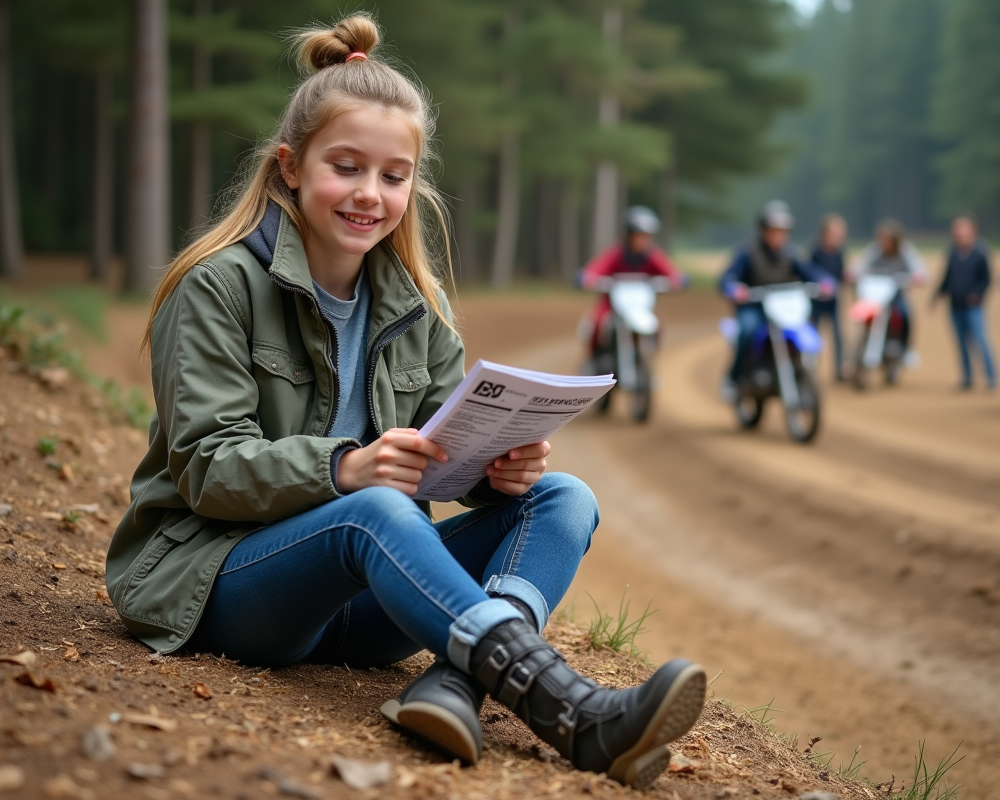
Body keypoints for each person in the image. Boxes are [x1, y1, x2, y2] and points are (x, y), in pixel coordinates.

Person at [105, 15, 705, 789]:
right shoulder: (218, 285)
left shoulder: (416, 302)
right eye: (345, 167)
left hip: (363, 604)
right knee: (377, 510)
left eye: (393, 176)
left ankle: (461, 682)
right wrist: (348, 468)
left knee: (564, 496)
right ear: (290, 167)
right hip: (221, 585)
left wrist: (499, 471)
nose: (369, 194)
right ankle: (573, 714)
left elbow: (441, 449)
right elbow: (207, 469)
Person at [719, 200, 835, 401]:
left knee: (806, 327)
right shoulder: (747, 252)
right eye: (773, 230)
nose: (777, 235)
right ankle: (733, 378)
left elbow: (810, 271)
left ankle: (800, 367)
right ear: (763, 230)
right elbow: (728, 277)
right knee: (747, 330)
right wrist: (734, 288)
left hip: (785, 309)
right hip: (755, 307)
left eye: (782, 231)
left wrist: (824, 281)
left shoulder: (791, 253)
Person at [579, 205, 687, 357]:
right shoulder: (616, 254)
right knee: (597, 322)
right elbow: (596, 269)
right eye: (639, 235)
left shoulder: (652, 256)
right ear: (629, 235)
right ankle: (594, 360)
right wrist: (587, 277)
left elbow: (672, 272)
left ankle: (646, 360)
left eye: (647, 236)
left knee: (658, 323)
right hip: (613, 305)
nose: (644, 241)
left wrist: (678, 280)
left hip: (642, 305)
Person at [847, 218, 928, 367]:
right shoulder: (875, 250)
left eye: (887, 239)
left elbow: (919, 269)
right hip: (875, 295)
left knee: (905, 314)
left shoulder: (905, 250)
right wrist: (853, 274)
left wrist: (917, 277)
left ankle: (906, 349)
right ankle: (861, 347)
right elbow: (861, 265)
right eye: (881, 239)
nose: (884, 243)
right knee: (862, 314)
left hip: (894, 295)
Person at [933, 215, 996, 391]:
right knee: (961, 344)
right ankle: (967, 378)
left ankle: (991, 378)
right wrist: (937, 297)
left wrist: (978, 294)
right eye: (957, 232)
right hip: (955, 305)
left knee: (981, 341)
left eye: (964, 231)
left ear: (973, 232)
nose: (960, 235)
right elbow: (947, 278)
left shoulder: (980, 253)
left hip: (973, 307)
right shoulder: (952, 252)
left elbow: (987, 279)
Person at [809, 214, 847, 382]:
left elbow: (841, 273)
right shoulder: (816, 251)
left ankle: (840, 370)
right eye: (836, 231)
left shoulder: (839, 252)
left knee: (838, 336)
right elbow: (809, 272)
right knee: (813, 336)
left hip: (833, 301)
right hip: (816, 302)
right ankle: (811, 370)